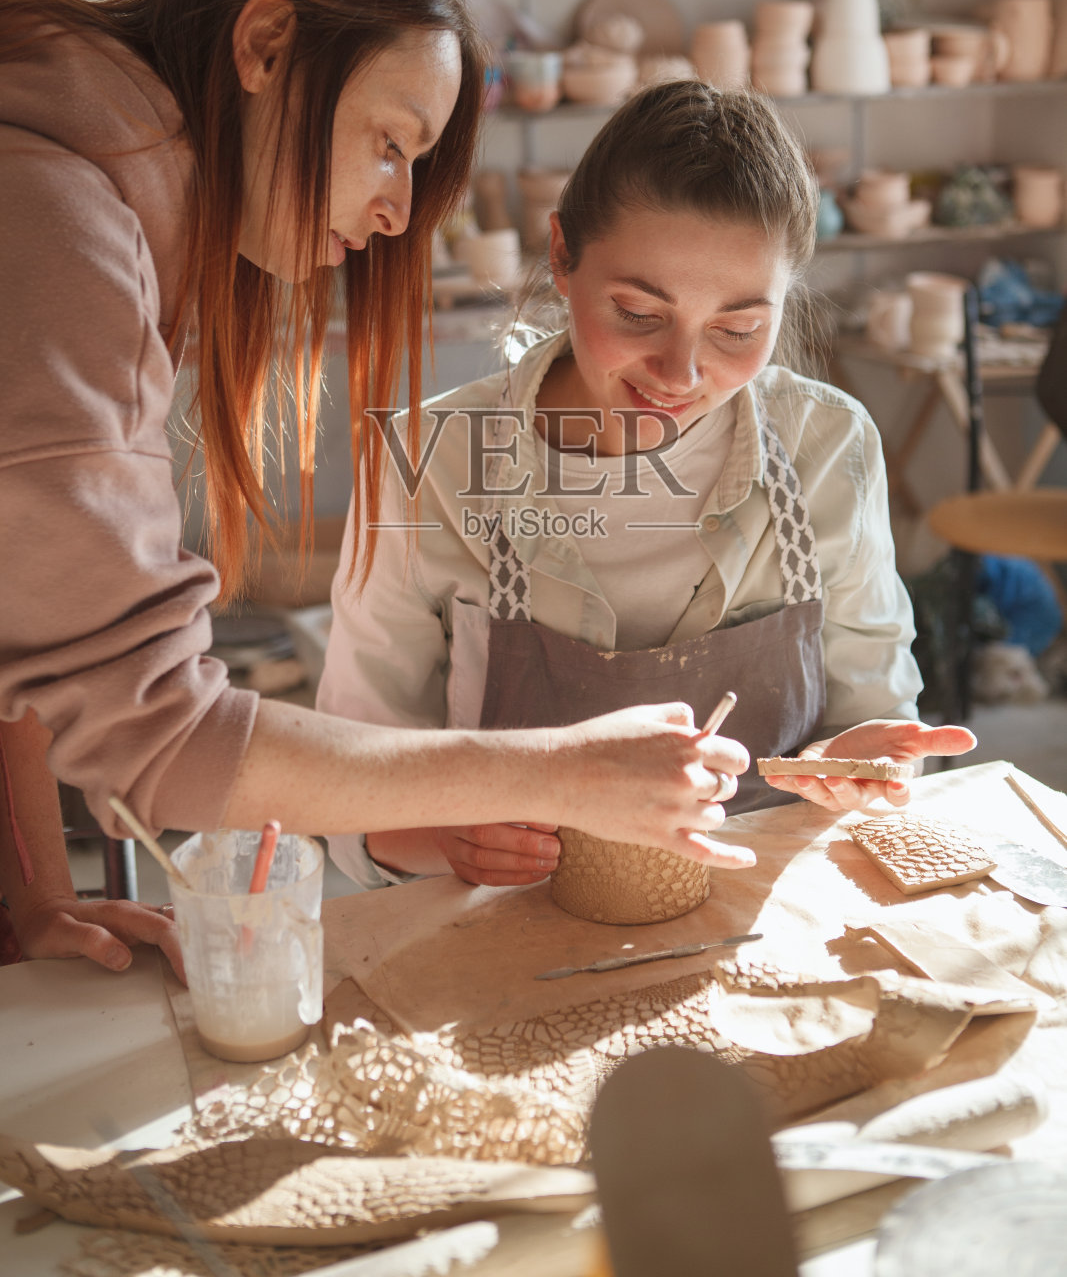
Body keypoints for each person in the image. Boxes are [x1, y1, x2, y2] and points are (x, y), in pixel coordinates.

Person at [0, 0, 738, 966]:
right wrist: (556, 772)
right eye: (389, 143)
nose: (395, 211)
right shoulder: (57, 215)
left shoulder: (91, 183)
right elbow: (161, 733)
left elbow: (29, 617)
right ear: (264, 44)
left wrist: (35, 899)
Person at [320, 81, 975, 892]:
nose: (681, 373)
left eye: (738, 330)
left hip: (762, 928)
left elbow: (871, 718)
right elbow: (351, 779)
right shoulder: (431, 461)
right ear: (562, 256)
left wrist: (856, 765)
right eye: (637, 313)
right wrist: (439, 836)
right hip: (509, 932)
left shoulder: (825, 444)